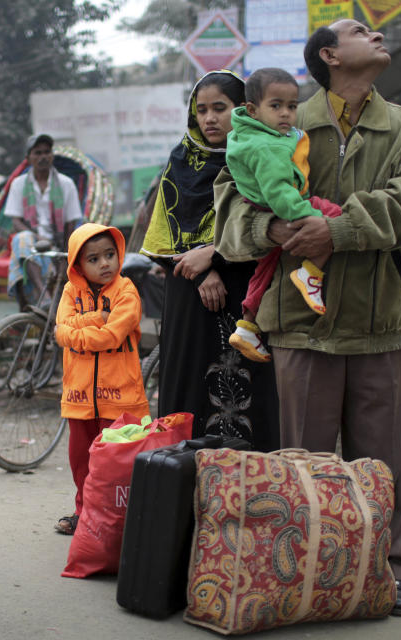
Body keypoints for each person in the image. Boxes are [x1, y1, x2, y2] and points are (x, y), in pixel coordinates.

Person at [214, 20, 401, 617]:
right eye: (357, 29)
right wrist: (272, 228)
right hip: (301, 321)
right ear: (329, 55)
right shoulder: (282, 118)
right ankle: (305, 574)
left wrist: (335, 229)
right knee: (305, 464)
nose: (374, 33)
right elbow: (231, 204)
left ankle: (391, 570)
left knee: (383, 462)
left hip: (379, 323)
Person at [140, 70, 280, 452]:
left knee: (248, 392)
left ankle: (251, 492)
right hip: (189, 294)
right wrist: (203, 273)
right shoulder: (182, 161)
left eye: (220, 108)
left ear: (244, 111)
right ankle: (184, 491)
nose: (210, 119)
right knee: (189, 394)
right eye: (202, 110)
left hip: (247, 292)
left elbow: (270, 225)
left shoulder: (262, 158)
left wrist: (216, 258)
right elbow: (162, 236)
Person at [224, 67, 342, 363]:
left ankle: (247, 326)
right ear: (252, 109)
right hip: (286, 206)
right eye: (276, 106)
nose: (286, 114)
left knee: (265, 268)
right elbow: (278, 189)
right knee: (336, 218)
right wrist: (306, 215)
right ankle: (310, 273)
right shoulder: (267, 145)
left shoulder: (252, 134)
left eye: (292, 106)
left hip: (265, 208)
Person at [53, 223, 149, 535]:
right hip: (79, 395)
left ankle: (115, 519)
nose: (104, 263)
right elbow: (60, 331)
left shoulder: (127, 291)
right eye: (93, 259)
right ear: (77, 266)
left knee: (115, 466)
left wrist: (77, 331)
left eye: (109, 254)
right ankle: (84, 513)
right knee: (81, 461)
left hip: (120, 396)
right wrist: (95, 318)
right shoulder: (71, 291)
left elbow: (111, 336)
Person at [4, 133, 84, 309]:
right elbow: (16, 221)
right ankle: (43, 294)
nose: (43, 157)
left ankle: (45, 300)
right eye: (37, 153)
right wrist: (38, 237)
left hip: (57, 247)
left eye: (46, 152)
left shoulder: (66, 184)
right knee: (21, 237)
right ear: (28, 158)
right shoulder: (18, 184)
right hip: (31, 246)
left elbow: (71, 225)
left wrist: (65, 258)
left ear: (52, 155)